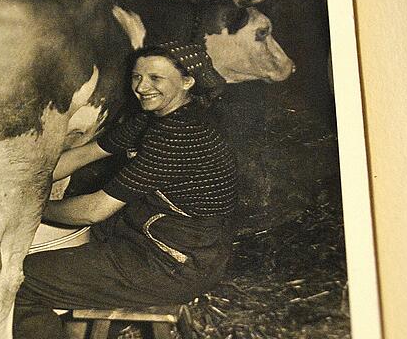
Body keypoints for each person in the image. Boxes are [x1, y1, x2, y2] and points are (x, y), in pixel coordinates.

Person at [13, 42, 238, 339]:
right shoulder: (156, 118)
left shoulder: (181, 134)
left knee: (17, 280)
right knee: (60, 264)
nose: (142, 87)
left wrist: (30, 205)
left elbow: (94, 211)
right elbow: (85, 154)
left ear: (187, 81)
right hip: (160, 241)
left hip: (173, 262)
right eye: (137, 77)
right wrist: (16, 183)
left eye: (155, 79)